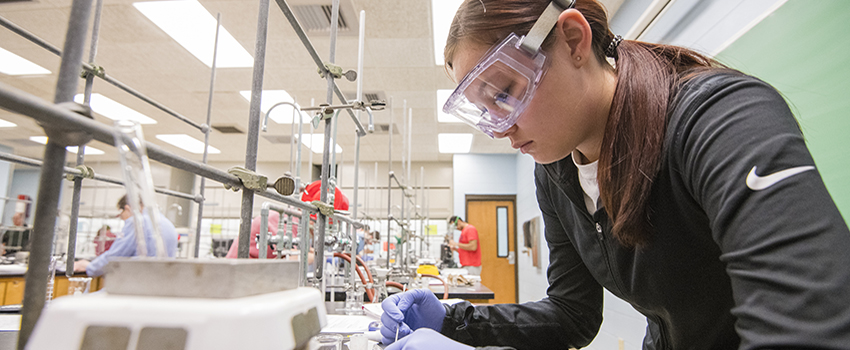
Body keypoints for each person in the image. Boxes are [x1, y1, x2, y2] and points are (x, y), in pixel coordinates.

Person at [379, 0, 850, 349]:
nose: (501, 128)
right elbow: (572, 315)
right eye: (483, 112)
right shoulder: (556, 172)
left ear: (572, 40)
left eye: (504, 92)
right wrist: (454, 321)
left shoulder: (720, 118)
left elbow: (809, 327)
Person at [74, 195, 178, 277]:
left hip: (136, 284)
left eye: (121, 213)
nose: (123, 219)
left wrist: (89, 267)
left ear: (128, 208)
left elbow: (117, 255)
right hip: (159, 285)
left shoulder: (138, 222)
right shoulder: (167, 223)